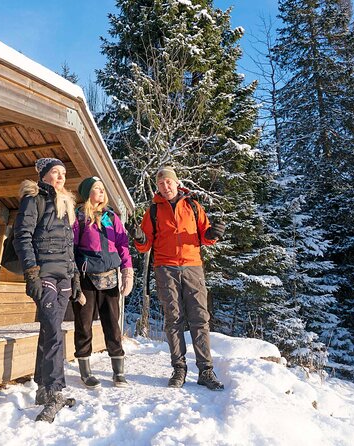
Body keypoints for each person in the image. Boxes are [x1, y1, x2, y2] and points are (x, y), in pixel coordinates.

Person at [130, 166, 226, 390]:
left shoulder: (193, 206)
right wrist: (138, 237)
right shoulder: (153, 211)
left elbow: (205, 234)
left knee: (200, 318)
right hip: (165, 268)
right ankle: (179, 369)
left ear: (176, 183)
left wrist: (213, 234)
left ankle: (205, 370)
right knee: (173, 318)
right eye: (161, 184)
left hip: (193, 266)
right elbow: (145, 245)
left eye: (169, 182)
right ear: (158, 187)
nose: (166, 186)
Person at [13, 157, 83, 422]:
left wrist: (75, 276)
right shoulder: (33, 199)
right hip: (43, 274)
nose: (61, 177)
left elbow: (69, 246)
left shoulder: (66, 204)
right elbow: (23, 236)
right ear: (43, 176)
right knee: (55, 331)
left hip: (64, 275)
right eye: (55, 172)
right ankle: (54, 391)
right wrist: (31, 272)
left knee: (49, 329)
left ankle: (43, 387)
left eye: (63, 173)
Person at [72, 176, 134, 389]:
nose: (100, 191)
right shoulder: (79, 217)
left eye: (101, 188)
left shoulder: (111, 217)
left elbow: (123, 244)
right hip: (86, 278)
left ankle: (118, 371)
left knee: (112, 323)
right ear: (87, 193)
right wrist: (74, 279)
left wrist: (127, 271)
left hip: (110, 277)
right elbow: (70, 248)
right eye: (96, 188)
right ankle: (85, 371)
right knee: (84, 324)